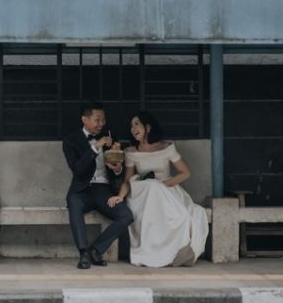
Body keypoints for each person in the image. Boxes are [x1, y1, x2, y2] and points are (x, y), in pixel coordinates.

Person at [117, 111, 209, 267]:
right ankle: (152, 254)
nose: (133, 128)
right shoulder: (131, 152)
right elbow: (127, 181)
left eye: (137, 124)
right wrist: (120, 196)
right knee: (151, 186)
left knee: (185, 217)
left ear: (148, 127)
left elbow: (185, 173)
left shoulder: (166, 147)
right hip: (144, 195)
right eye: (131, 126)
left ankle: (175, 253)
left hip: (167, 191)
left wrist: (163, 185)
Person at [62, 101, 134, 269]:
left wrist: (117, 168)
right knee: (74, 203)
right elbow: (78, 170)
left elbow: (118, 173)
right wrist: (95, 147)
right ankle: (83, 253)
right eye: (97, 119)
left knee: (126, 216)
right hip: (82, 190)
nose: (101, 124)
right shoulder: (70, 141)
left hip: (103, 190)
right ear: (84, 120)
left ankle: (95, 250)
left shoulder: (111, 139)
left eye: (103, 120)